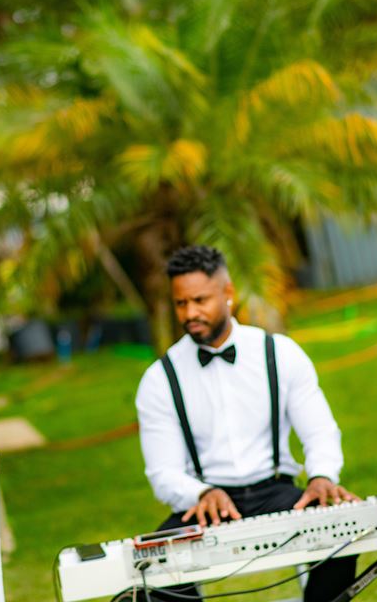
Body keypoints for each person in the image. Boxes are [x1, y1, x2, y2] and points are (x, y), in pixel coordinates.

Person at [134, 245, 357, 602]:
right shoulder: (160, 379)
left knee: (342, 533)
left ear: (228, 294)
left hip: (277, 491)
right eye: (180, 304)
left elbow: (320, 431)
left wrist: (321, 476)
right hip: (205, 503)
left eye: (200, 300)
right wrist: (201, 493)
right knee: (154, 565)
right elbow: (163, 472)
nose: (190, 313)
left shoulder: (279, 353)